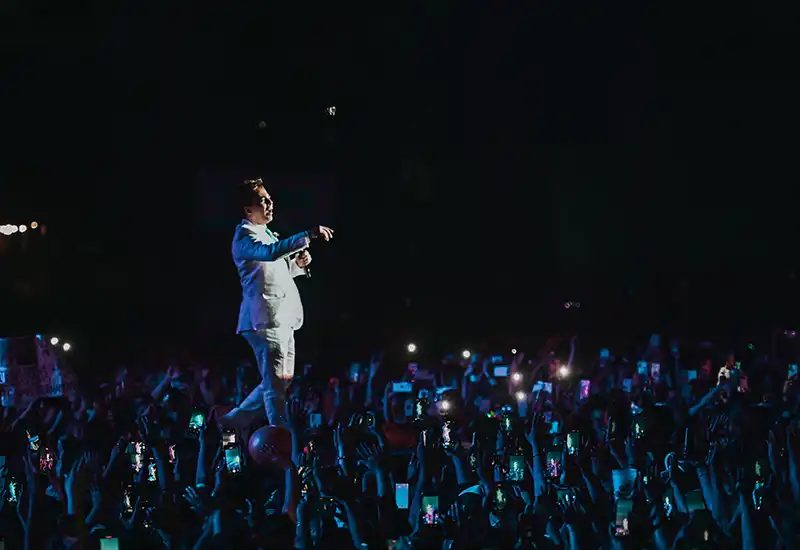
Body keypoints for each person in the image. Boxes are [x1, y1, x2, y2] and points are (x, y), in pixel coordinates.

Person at [222, 178, 334, 427]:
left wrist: (297, 265)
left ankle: (233, 420)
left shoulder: (267, 234)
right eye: (263, 200)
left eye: (270, 198)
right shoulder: (243, 237)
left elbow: (275, 273)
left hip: (281, 318)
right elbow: (270, 254)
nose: (270, 203)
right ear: (248, 210)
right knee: (275, 388)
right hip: (263, 320)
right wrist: (308, 234)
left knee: (282, 380)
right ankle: (281, 443)